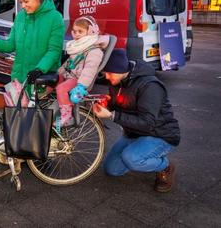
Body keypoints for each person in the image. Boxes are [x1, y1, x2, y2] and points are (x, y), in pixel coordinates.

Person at [92, 49, 180, 193]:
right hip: (134, 133)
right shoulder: (118, 81)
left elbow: (147, 122)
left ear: (120, 69)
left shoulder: (150, 86)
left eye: (109, 73)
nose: (107, 77)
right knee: (111, 169)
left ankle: (165, 166)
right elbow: (120, 104)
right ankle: (143, 155)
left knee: (131, 158)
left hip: (160, 135)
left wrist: (111, 115)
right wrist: (106, 104)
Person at [0, 0, 65, 86]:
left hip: (41, 78)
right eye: (21, 2)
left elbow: (54, 50)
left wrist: (40, 69)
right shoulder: (20, 16)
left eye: (26, 1)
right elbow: (11, 44)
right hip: (19, 78)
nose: (23, 6)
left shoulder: (55, 18)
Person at [56, 16, 109, 127]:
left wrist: (81, 86)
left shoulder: (94, 50)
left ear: (91, 32)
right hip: (70, 76)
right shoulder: (79, 47)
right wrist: (57, 73)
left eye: (80, 31)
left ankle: (67, 116)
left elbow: (90, 69)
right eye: (74, 31)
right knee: (53, 80)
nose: (77, 34)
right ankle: (55, 107)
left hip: (80, 80)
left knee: (60, 89)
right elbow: (69, 64)